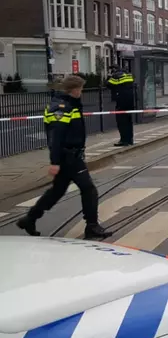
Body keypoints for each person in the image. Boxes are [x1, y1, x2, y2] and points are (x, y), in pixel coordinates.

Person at [17, 75, 112, 239]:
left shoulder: (70, 104)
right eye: (81, 89)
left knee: (57, 191)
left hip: (70, 155)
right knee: (88, 189)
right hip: (68, 157)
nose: (81, 92)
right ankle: (92, 226)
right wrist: (54, 162)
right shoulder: (61, 108)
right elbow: (56, 136)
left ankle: (30, 218)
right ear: (74, 89)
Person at [106, 65, 135, 147]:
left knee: (121, 121)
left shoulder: (116, 75)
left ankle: (124, 140)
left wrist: (109, 76)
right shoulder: (128, 74)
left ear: (114, 70)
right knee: (129, 121)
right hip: (130, 101)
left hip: (121, 101)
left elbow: (108, 84)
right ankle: (130, 139)